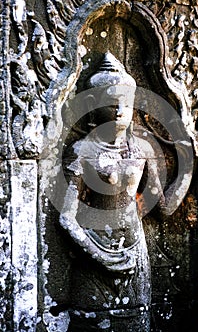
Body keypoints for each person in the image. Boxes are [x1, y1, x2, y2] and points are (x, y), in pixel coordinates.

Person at [60, 52, 166, 331]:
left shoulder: (142, 149)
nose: (120, 110)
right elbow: (66, 218)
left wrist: (191, 152)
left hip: (134, 251)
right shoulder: (82, 151)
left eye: (126, 103)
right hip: (94, 249)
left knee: (137, 322)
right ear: (94, 105)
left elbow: (162, 207)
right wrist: (102, 257)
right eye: (112, 102)